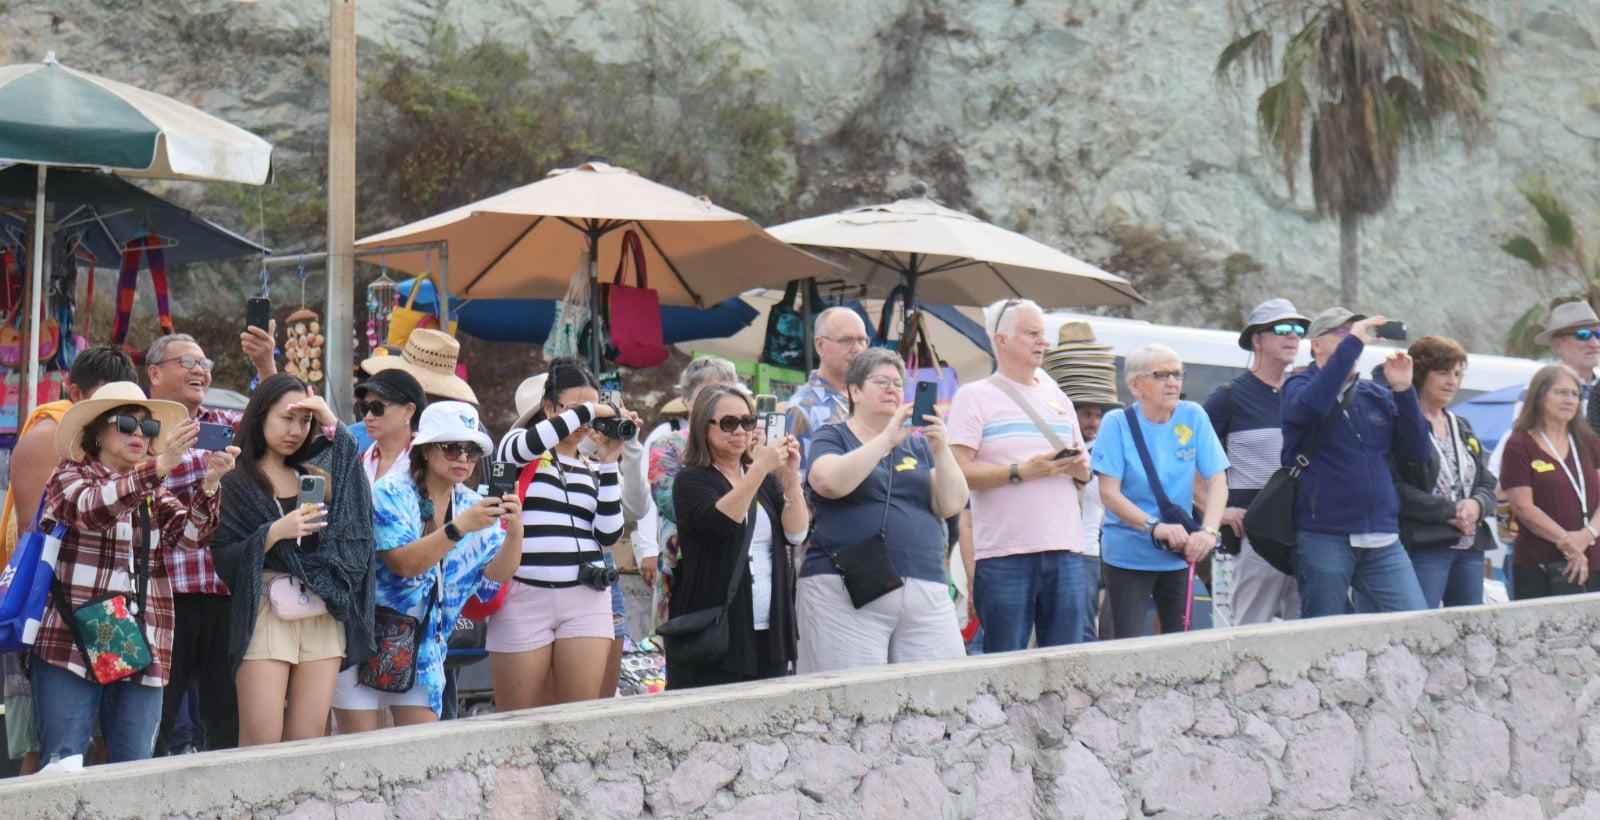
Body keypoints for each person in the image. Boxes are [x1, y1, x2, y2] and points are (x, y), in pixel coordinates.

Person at [32, 381, 234, 764]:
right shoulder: (69, 474)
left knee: (135, 767)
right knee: (63, 763)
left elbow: (190, 536)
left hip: (138, 638)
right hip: (70, 636)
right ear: (95, 431)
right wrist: (157, 468)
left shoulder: (150, 487)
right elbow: (93, 508)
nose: (140, 433)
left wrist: (211, 484)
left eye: (149, 426)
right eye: (126, 423)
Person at [333, 402, 521, 729]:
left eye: (472, 450)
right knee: (361, 753)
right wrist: (459, 527)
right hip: (364, 639)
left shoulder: (471, 504)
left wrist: (515, 529)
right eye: (452, 448)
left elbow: (498, 572)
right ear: (426, 450)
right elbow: (403, 564)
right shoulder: (390, 492)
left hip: (425, 646)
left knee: (421, 749)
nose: (463, 458)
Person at [211, 374, 376, 747]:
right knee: (260, 741)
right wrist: (272, 533)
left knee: (308, 742)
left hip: (322, 611)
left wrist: (332, 422)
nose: (296, 430)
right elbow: (222, 555)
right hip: (266, 606)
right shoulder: (237, 480)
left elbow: (359, 515)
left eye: (305, 421)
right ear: (260, 417)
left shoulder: (314, 476)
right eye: (286, 418)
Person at [0, 347, 135, 773]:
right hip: (50, 611)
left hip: (110, 613)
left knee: (101, 743)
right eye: (102, 406)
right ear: (75, 394)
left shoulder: (133, 449)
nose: (116, 419)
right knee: (47, 750)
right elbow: (37, 537)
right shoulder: (48, 435)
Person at [798, 348, 968, 672]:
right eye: (881, 381)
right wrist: (886, 440)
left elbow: (951, 503)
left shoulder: (919, 446)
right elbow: (828, 481)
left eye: (898, 383)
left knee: (944, 689)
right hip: (847, 587)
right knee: (854, 698)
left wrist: (941, 448)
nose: (893, 389)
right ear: (854, 390)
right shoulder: (833, 436)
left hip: (924, 585)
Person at [151, 327, 276, 757]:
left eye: (204, 363)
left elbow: (277, 418)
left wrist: (265, 364)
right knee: (157, 721)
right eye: (187, 362)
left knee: (226, 723)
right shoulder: (140, 429)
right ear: (154, 373)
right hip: (165, 593)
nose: (199, 370)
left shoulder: (224, 426)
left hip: (226, 591)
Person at [947, 299, 1092, 653]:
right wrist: (1020, 472)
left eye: (1044, 334)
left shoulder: (1059, 397)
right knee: (1004, 663)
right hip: (1004, 553)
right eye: (1032, 334)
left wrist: (1076, 468)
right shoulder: (973, 396)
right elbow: (958, 472)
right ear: (1002, 340)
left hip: (1067, 548)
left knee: (1067, 661)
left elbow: (1085, 471)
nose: (1043, 342)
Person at [502, 371, 646, 703]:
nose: (587, 419)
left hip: (586, 599)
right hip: (525, 594)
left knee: (576, 717)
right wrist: (592, 409)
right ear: (550, 409)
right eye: (576, 409)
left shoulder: (592, 467)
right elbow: (525, 446)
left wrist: (610, 462)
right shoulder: (518, 448)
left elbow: (608, 535)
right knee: (517, 719)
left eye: (594, 408)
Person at [1283, 308, 1430, 618]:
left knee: (1415, 622)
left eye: (1353, 332)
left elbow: (1416, 452)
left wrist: (1404, 391)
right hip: (1325, 535)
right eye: (1341, 333)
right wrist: (1352, 343)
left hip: (1382, 536)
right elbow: (1312, 407)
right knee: (1325, 631)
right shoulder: (1296, 387)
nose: (1351, 339)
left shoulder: (1373, 395)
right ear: (1316, 344)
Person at [667, 384, 807, 688]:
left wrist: (790, 477)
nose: (740, 431)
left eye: (747, 421)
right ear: (703, 426)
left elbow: (796, 534)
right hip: (717, 628)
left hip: (769, 627)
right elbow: (721, 521)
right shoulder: (691, 479)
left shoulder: (765, 479)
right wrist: (760, 467)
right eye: (729, 423)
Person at [1092, 344, 1229, 638]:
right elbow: (1109, 493)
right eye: (1161, 375)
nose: (1172, 382)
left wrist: (1209, 531)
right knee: (1123, 645)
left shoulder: (1193, 416)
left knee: (1180, 643)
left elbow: (1217, 480)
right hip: (1128, 554)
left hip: (1178, 553)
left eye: (1177, 374)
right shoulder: (1116, 424)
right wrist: (1154, 527)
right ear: (1135, 385)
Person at [1201, 298, 1309, 626]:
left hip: (1306, 531)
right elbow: (1188, 460)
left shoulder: (1304, 393)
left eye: (1298, 330)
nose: (1293, 336)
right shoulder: (1230, 396)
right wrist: (1218, 512)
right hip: (1255, 536)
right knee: (1251, 634)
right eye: (1281, 328)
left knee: (1310, 634)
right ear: (1256, 340)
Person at [1388, 336, 1497, 608]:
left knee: (1470, 632)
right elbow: (1395, 486)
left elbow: (1487, 479)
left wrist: (1476, 504)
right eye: (1443, 372)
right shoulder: (1400, 422)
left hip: (1469, 544)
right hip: (1426, 543)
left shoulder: (1461, 425)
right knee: (1419, 626)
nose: (1452, 381)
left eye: (1458, 374)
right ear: (1421, 373)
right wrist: (1449, 511)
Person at [1041, 322, 1123, 641]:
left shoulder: (1104, 453)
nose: (1094, 422)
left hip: (1086, 551)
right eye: (1086, 414)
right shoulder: (1044, 446)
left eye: (1097, 415)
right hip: (1048, 547)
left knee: (1083, 630)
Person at [647, 357, 741, 631]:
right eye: (708, 394)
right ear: (687, 401)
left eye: (727, 392)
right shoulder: (668, 446)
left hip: (740, 565)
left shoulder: (748, 446)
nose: (719, 402)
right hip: (685, 568)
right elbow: (672, 504)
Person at [1501, 364, 1600, 598]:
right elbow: (1523, 507)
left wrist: (1585, 536)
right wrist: (1568, 543)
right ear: (1538, 396)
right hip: (1541, 564)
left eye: (1575, 394)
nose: (1570, 400)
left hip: (1594, 558)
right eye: (1561, 392)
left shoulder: (1589, 443)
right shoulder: (1520, 444)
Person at [786, 307, 871, 463]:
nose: (858, 349)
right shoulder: (804, 408)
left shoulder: (869, 399)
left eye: (862, 340)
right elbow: (795, 479)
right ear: (820, 345)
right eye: (846, 341)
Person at [353, 369, 427, 484]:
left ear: (409, 410)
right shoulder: (361, 459)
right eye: (364, 408)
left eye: (377, 407)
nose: (368, 417)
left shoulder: (427, 462)